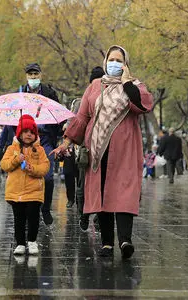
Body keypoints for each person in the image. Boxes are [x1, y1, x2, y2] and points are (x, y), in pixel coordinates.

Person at [52, 45, 153, 259]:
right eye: (111, 59)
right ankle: (107, 243)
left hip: (125, 151)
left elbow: (143, 105)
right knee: (103, 193)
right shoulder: (95, 86)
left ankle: (125, 240)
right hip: (98, 152)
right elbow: (82, 117)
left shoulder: (135, 85)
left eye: (119, 60)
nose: (114, 63)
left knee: (124, 192)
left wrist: (126, 81)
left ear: (126, 64)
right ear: (105, 61)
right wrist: (66, 142)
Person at [0, 63, 60, 225]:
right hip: (25, 137)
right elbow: (12, 117)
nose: (33, 77)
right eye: (30, 75)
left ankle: (45, 209)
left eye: (36, 74)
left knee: (47, 176)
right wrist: (15, 136)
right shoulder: (19, 94)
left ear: (40, 75)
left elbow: (57, 113)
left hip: (45, 138)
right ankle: (27, 209)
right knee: (25, 174)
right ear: (26, 76)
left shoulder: (49, 93)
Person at [0, 115, 50, 255]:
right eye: (26, 131)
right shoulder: (12, 148)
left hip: (34, 191)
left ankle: (32, 241)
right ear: (19, 133)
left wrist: (32, 169)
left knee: (33, 217)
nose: (29, 134)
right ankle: (20, 243)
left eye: (32, 132)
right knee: (19, 218)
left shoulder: (39, 150)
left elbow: (45, 167)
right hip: (16, 192)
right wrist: (16, 159)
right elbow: (4, 164)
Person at [77, 66, 104, 231]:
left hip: (97, 149)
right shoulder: (84, 100)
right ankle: (85, 215)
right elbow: (77, 123)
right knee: (86, 183)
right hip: (87, 149)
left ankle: (91, 217)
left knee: (91, 184)